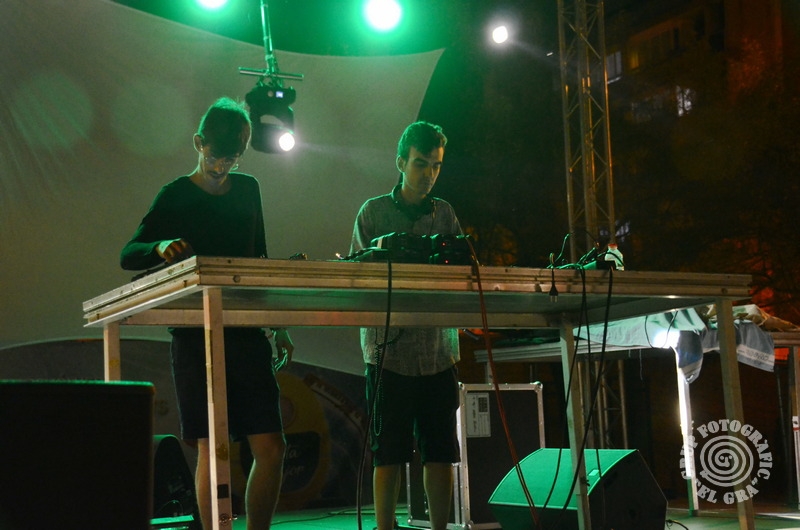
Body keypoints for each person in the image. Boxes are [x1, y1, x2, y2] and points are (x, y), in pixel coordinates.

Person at [120, 97, 293, 530]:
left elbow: (258, 260)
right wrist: (160, 246)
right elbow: (129, 253)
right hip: (194, 334)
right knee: (211, 447)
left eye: (232, 159)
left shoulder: (249, 189)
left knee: (271, 447)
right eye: (216, 157)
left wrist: (278, 324)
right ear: (198, 143)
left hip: (245, 331)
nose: (222, 167)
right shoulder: (175, 194)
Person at [349, 121, 462, 530]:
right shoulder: (373, 212)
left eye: (436, 166)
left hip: (438, 352)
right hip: (388, 353)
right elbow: (357, 278)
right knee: (389, 453)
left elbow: (460, 272)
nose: (429, 174)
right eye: (420, 164)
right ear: (400, 162)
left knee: (441, 452)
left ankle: (440, 527)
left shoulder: (445, 213)